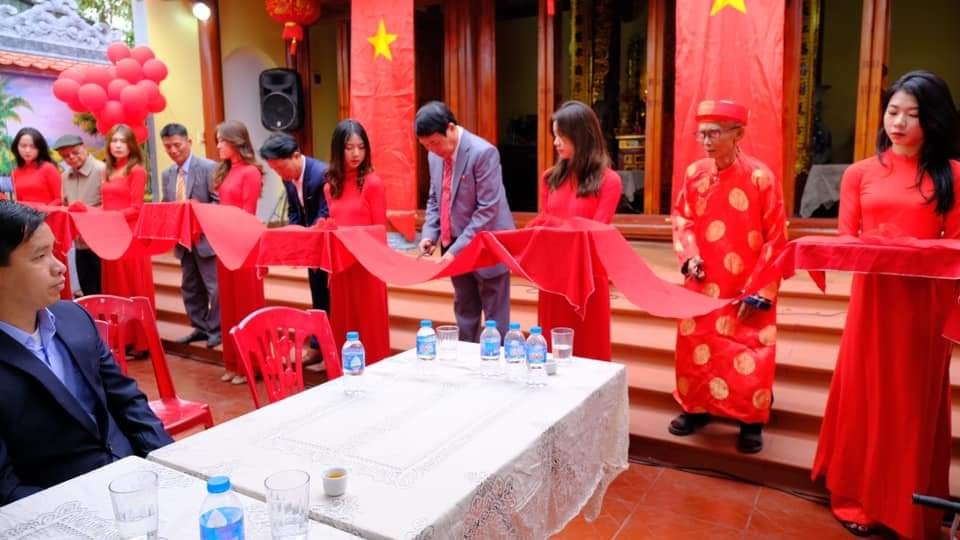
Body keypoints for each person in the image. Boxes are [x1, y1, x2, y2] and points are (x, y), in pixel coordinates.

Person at [812, 71, 960, 539]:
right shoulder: (859, 173)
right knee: (867, 393)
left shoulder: (954, 175)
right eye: (892, 112)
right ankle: (859, 499)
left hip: (924, 306)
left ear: (933, 120)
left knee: (911, 403)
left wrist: (910, 251)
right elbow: (847, 241)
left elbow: (957, 249)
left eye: (912, 115)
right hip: (873, 299)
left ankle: (908, 504)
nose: (898, 123)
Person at [0, 200, 173, 504]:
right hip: (63, 502)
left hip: (132, 477)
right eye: (40, 256)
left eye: (54, 251)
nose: (59, 266)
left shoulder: (73, 318)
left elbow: (127, 400)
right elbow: (6, 487)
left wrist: (167, 463)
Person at [669, 100, 786, 454]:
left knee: (748, 345)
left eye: (715, 133)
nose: (706, 140)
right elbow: (682, 218)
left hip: (747, 281)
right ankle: (695, 408)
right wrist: (690, 257)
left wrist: (760, 290)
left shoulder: (761, 178)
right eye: (702, 133)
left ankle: (750, 420)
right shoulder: (694, 174)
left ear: (738, 134)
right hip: (703, 279)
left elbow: (776, 238)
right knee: (696, 341)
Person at [531, 100, 622, 361]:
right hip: (553, 274)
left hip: (588, 274)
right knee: (552, 344)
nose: (556, 143)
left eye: (562, 136)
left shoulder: (609, 181)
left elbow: (594, 232)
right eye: (555, 136)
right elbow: (543, 224)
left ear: (581, 136)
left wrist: (552, 226)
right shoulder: (550, 178)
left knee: (589, 343)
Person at [416, 101, 515, 341]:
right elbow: (435, 198)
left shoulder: (483, 153)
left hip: (487, 246)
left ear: (450, 128)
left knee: (495, 319)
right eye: (426, 145)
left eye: (435, 143)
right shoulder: (434, 156)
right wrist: (429, 233)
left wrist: (456, 250)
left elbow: (487, 210)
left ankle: (495, 361)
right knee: (464, 311)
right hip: (454, 244)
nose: (432, 150)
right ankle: (466, 358)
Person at [259, 132, 331, 362]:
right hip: (310, 247)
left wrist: (307, 239)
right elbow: (294, 211)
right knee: (318, 296)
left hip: (327, 246)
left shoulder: (321, 174)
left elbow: (325, 213)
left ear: (296, 156)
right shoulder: (288, 177)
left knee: (328, 298)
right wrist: (293, 236)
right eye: (274, 169)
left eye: (280, 167)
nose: (279, 174)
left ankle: (331, 348)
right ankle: (319, 346)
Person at [323, 119, 390, 363]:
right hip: (341, 269)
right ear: (337, 149)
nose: (356, 154)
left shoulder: (373, 184)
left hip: (367, 269)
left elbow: (379, 232)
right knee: (344, 324)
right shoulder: (331, 187)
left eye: (361, 147)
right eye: (349, 148)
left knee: (369, 328)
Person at [159, 123, 221, 349]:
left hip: (205, 238)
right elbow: (167, 204)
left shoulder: (208, 167)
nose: (173, 150)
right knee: (190, 286)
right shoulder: (167, 174)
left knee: (214, 287)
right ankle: (200, 326)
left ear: (189, 142)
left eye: (177, 145)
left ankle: (216, 329)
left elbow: (218, 203)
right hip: (182, 240)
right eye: (168, 147)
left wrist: (196, 212)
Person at [213, 121, 265, 385]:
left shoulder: (251, 172)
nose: (219, 145)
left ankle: (250, 365)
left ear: (237, 141)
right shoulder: (225, 171)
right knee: (230, 305)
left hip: (244, 245)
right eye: (218, 140)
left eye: (223, 140)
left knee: (246, 304)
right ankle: (233, 362)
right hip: (225, 244)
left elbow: (247, 213)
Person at [101, 124, 156, 353]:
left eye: (123, 141)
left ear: (132, 145)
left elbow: (136, 208)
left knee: (133, 286)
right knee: (116, 287)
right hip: (110, 235)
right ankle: (122, 340)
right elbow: (106, 204)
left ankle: (141, 341)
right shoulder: (107, 171)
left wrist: (109, 216)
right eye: (114, 140)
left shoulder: (137, 171)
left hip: (130, 235)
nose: (118, 145)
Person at [52, 134, 105, 297]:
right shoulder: (65, 177)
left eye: (75, 152)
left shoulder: (101, 170)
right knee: (87, 288)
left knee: (104, 289)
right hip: (79, 243)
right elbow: (65, 204)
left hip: (101, 242)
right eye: (65, 156)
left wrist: (88, 214)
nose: (71, 158)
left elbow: (110, 206)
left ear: (84, 147)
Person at [10, 127, 60, 206]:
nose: (27, 150)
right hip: (25, 213)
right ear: (16, 147)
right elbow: (19, 201)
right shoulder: (14, 173)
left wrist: (43, 211)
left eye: (33, 146)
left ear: (40, 148)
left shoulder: (48, 168)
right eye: (23, 146)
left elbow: (59, 199)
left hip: (48, 213)